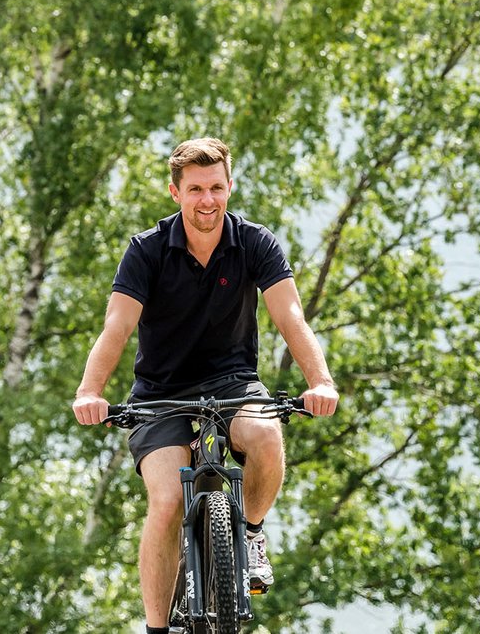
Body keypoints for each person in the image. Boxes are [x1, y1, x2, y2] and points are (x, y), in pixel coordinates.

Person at [71, 137, 339, 634]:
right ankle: (156, 628)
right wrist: (90, 391)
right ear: (175, 193)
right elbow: (117, 326)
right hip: (159, 395)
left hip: (233, 383)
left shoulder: (254, 242)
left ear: (230, 187)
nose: (207, 199)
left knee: (265, 436)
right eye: (195, 189)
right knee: (169, 499)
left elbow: (290, 315)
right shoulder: (146, 251)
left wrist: (319, 381)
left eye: (216, 187)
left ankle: (252, 533)